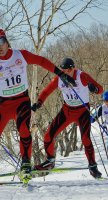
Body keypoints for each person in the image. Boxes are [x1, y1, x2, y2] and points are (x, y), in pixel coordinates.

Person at [0, 29, 75, 174]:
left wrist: (60, 74)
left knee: (24, 131)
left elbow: (41, 61)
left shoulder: (20, 55)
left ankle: (26, 163)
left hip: (21, 101)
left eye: (1, 42)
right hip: (3, 104)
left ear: (6, 42)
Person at [32, 57, 103, 178]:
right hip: (67, 111)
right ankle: (50, 161)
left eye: (69, 69)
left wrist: (94, 89)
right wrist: (39, 103)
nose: (66, 72)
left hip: (82, 111)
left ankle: (93, 166)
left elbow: (100, 89)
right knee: (48, 135)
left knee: (86, 139)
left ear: (73, 68)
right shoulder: (59, 78)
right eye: (63, 70)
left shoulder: (82, 76)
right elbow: (46, 91)